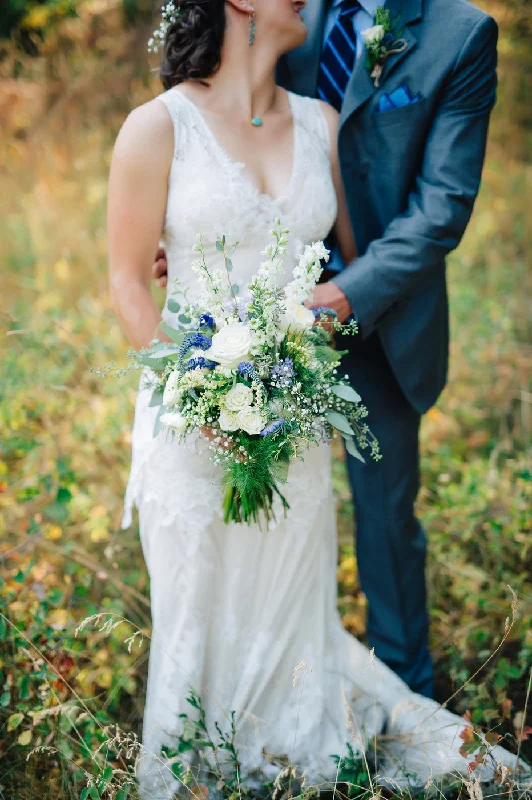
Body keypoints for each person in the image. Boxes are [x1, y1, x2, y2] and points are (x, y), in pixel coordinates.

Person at [109, 1, 524, 797]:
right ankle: (198, 755)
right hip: (196, 396)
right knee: (200, 609)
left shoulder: (380, 83)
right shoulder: (166, 120)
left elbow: (390, 232)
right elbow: (130, 268)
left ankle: (351, 712)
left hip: (315, 375)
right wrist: (194, 379)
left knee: (342, 560)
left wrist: (315, 324)